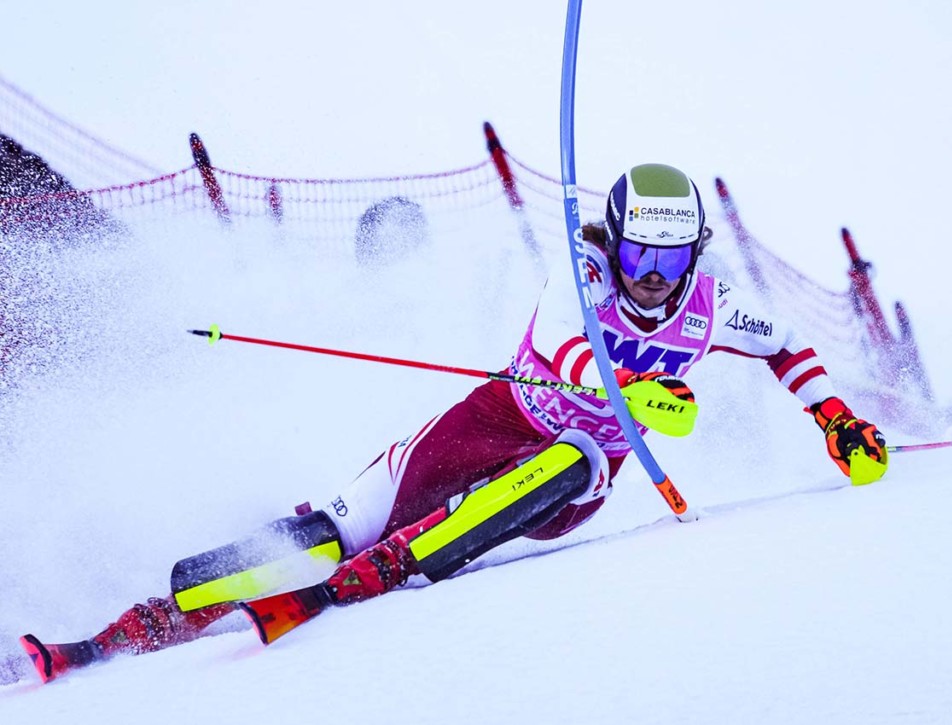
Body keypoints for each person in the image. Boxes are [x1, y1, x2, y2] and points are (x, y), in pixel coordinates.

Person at [20, 163, 888, 682]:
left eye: (669, 259)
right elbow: (571, 348)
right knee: (335, 523)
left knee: (583, 454)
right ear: (614, 240)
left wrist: (836, 419)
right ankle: (130, 627)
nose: (651, 276)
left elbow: (788, 348)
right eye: (638, 255)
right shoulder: (580, 270)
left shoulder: (710, 303)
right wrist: (637, 386)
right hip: (494, 414)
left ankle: (388, 571)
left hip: (568, 469)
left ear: (693, 254)